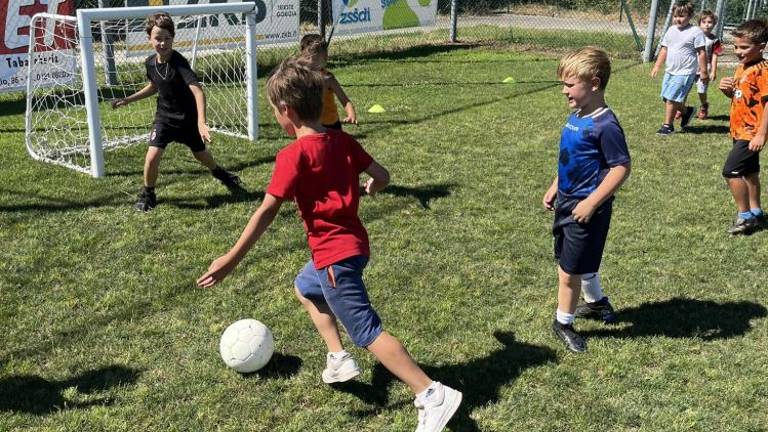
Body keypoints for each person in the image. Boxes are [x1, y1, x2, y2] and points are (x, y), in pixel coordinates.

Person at [197, 58, 461, 432]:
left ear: (287, 111)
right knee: (305, 287)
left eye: (274, 111)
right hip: (354, 247)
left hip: (334, 257)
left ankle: (431, 393)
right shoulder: (343, 140)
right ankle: (338, 358)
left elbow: (267, 211)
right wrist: (373, 186)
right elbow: (383, 175)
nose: (275, 116)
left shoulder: (293, 155)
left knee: (367, 331)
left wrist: (230, 259)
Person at [543, 47, 631, 353]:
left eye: (569, 85)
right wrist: (556, 185)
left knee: (568, 272)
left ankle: (563, 323)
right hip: (567, 202)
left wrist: (591, 203)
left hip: (586, 208)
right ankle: (596, 303)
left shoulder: (605, 125)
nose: (564, 91)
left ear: (594, 84)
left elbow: (621, 167)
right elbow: (572, 158)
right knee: (576, 261)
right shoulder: (577, 115)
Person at [112, 12, 242, 211]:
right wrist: (128, 99)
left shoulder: (180, 63)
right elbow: (154, 86)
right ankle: (148, 194)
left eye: (167, 38)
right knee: (152, 157)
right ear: (149, 39)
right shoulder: (150, 63)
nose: (163, 43)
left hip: (186, 120)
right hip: (164, 119)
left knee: (201, 156)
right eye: (158, 38)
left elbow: (198, 91)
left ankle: (219, 172)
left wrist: (201, 122)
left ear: (173, 38)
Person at [718, 19, 768, 235]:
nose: (738, 52)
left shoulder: (763, 71)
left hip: (751, 132)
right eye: (736, 47)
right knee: (749, 171)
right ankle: (756, 211)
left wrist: (761, 135)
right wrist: (727, 90)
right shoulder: (742, 67)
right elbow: (742, 96)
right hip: (739, 130)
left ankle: (745, 217)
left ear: (761, 46)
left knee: (731, 171)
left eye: (744, 47)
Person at [650, 1, 708, 136]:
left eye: (682, 16)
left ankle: (667, 126)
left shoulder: (695, 32)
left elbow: (701, 52)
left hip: (685, 71)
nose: (678, 19)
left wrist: (704, 71)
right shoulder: (671, 30)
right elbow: (664, 49)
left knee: (671, 98)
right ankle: (687, 112)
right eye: (675, 16)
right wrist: (657, 65)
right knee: (666, 98)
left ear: (690, 16)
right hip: (670, 70)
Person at [299, 34, 357, 130]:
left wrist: (351, 114)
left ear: (325, 58)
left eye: (316, 59)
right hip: (311, 125)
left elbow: (344, 100)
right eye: (307, 57)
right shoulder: (300, 77)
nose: (310, 62)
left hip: (331, 124)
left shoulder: (328, 79)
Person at [695, 10, 723, 120]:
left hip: (705, 69)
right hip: (690, 67)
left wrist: (713, 71)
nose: (707, 24)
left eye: (710, 22)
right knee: (684, 89)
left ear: (714, 24)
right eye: (704, 22)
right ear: (699, 23)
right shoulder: (694, 36)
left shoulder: (714, 40)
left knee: (701, 91)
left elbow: (715, 56)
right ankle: (681, 108)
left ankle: (704, 106)